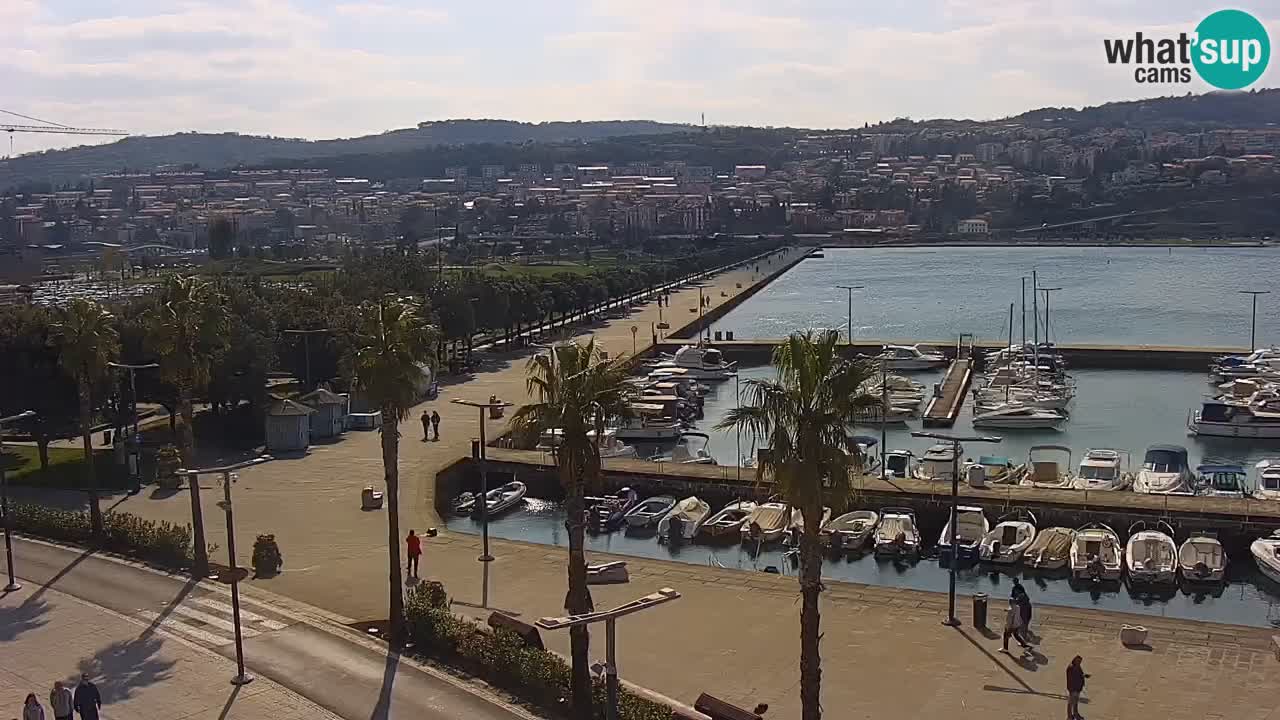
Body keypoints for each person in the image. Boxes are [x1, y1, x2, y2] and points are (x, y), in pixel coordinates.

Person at [1066, 655, 1088, 720]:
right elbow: (1071, 679)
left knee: (1075, 703)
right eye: (1078, 661)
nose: (1079, 662)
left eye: (1080, 661)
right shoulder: (1071, 668)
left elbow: (1080, 674)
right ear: (1075, 660)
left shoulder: (1078, 667)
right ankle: (1069, 716)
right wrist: (1071, 689)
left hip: (1078, 688)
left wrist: (1084, 676)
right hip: (1073, 688)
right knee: (1071, 703)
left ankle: (1076, 714)